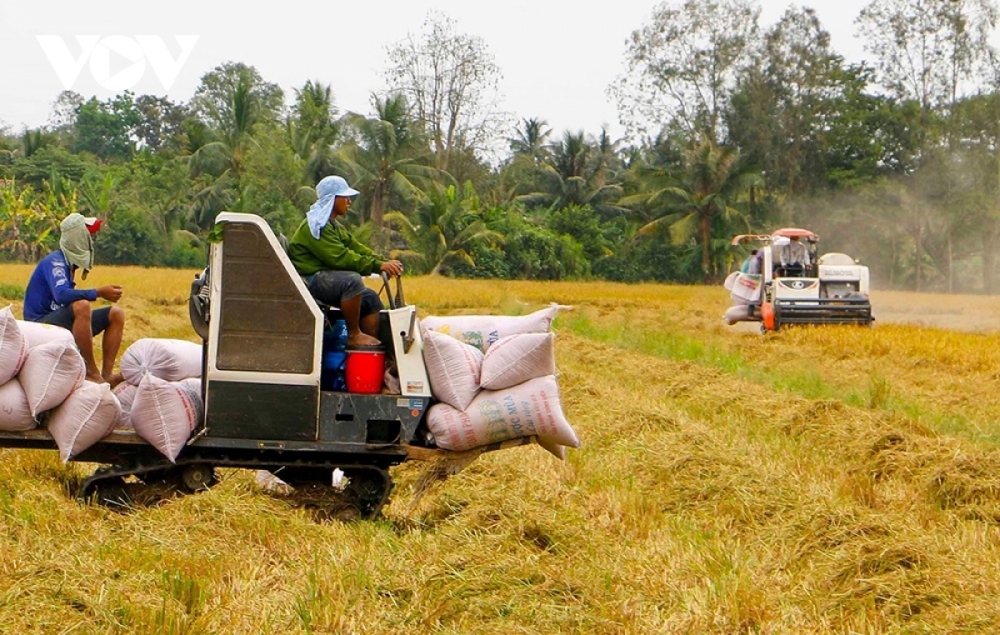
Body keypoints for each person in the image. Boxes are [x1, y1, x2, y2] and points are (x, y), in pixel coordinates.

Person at [287, 175, 403, 348]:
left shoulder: (333, 225)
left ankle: (371, 348)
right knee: (352, 281)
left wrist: (382, 261)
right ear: (332, 199)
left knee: (370, 298)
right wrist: (377, 266)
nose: (349, 201)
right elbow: (339, 258)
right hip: (310, 280)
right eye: (345, 197)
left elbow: (355, 247)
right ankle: (354, 335)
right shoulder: (317, 226)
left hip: (323, 277)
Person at [23, 213, 125, 385]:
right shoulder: (55, 262)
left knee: (116, 313)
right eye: (88, 237)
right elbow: (61, 295)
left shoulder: (69, 266)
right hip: (40, 325)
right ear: (77, 239)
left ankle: (106, 374)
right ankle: (92, 373)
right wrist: (98, 292)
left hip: (58, 321)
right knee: (81, 306)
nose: (91, 242)